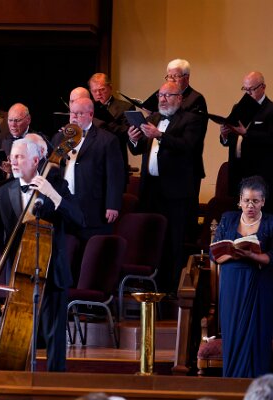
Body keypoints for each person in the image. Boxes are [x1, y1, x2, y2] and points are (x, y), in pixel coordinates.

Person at [0, 137, 84, 371]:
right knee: (17, 333)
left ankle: (55, 381)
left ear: (36, 160)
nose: (13, 162)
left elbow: (79, 220)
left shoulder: (56, 186)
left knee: (54, 335)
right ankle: (16, 379)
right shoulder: (4, 192)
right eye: (12, 157)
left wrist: (52, 195)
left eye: (19, 157)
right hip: (19, 271)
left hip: (52, 271)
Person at [128, 81, 205, 293]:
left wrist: (160, 136)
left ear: (179, 98)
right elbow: (139, 150)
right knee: (150, 238)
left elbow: (188, 147)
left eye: (167, 95)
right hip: (150, 189)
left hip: (174, 192)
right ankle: (149, 284)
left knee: (173, 240)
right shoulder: (153, 118)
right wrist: (133, 140)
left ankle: (171, 288)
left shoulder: (191, 119)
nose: (162, 99)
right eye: (160, 95)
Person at [211, 176, 273, 378]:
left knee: (258, 335)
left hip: (259, 283)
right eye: (246, 200)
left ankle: (258, 387)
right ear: (239, 200)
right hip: (232, 285)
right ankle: (231, 383)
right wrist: (234, 253)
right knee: (233, 333)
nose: (250, 205)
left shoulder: (270, 222)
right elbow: (214, 254)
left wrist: (253, 256)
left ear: (263, 201)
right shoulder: (228, 218)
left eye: (255, 201)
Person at [53, 97, 125, 240]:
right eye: (72, 113)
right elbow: (53, 167)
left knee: (89, 248)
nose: (74, 117)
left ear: (91, 114)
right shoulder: (59, 138)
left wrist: (112, 205)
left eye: (79, 113)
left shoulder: (107, 140)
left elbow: (115, 176)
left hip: (92, 206)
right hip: (64, 204)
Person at [220, 72, 273, 205]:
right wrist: (224, 135)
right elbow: (232, 136)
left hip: (259, 169)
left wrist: (246, 133)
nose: (248, 93)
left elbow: (270, 139)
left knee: (257, 209)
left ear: (263, 87)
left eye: (251, 89)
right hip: (237, 168)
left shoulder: (270, 109)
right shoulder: (238, 107)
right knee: (237, 207)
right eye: (245, 89)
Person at [88, 72, 135, 178]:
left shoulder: (126, 107)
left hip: (114, 162)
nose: (98, 94)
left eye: (102, 89)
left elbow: (125, 135)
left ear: (110, 88)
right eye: (94, 91)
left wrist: (106, 120)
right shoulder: (87, 107)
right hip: (92, 163)